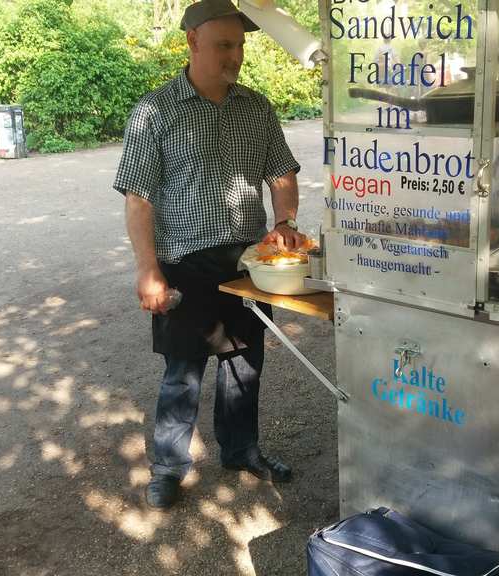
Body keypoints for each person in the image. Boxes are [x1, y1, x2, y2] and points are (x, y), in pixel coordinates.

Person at [112, 0, 306, 510]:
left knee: (245, 363)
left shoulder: (257, 108)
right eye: (225, 44)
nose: (236, 55)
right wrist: (147, 267)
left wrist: (284, 221)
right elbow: (139, 196)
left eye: (240, 45)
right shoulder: (155, 111)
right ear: (193, 41)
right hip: (184, 261)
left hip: (249, 263)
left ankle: (241, 450)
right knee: (183, 369)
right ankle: (169, 466)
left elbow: (282, 173)